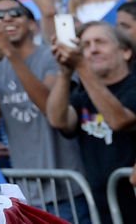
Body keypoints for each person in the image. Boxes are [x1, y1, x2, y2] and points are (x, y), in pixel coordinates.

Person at [0, 0, 84, 213]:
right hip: (27, 195)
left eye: (15, 13)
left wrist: (11, 54)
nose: (7, 19)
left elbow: (51, 110)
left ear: (31, 24)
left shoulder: (51, 56)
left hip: (68, 192)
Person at [45, 22, 136, 223]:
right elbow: (58, 120)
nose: (92, 49)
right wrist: (65, 73)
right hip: (103, 209)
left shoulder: (132, 87)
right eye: (85, 45)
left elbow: (119, 120)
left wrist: (81, 66)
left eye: (100, 42)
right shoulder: (83, 94)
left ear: (126, 52)